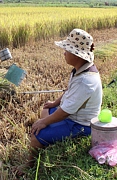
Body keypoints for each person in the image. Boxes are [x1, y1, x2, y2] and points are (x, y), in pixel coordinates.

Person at [14, 28, 102, 176]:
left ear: (77, 55)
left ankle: (28, 166)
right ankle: (48, 135)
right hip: (70, 115)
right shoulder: (80, 69)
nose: (64, 53)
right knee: (45, 110)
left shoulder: (86, 81)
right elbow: (69, 91)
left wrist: (45, 122)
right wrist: (54, 103)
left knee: (35, 137)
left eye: (67, 50)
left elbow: (65, 112)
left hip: (80, 124)